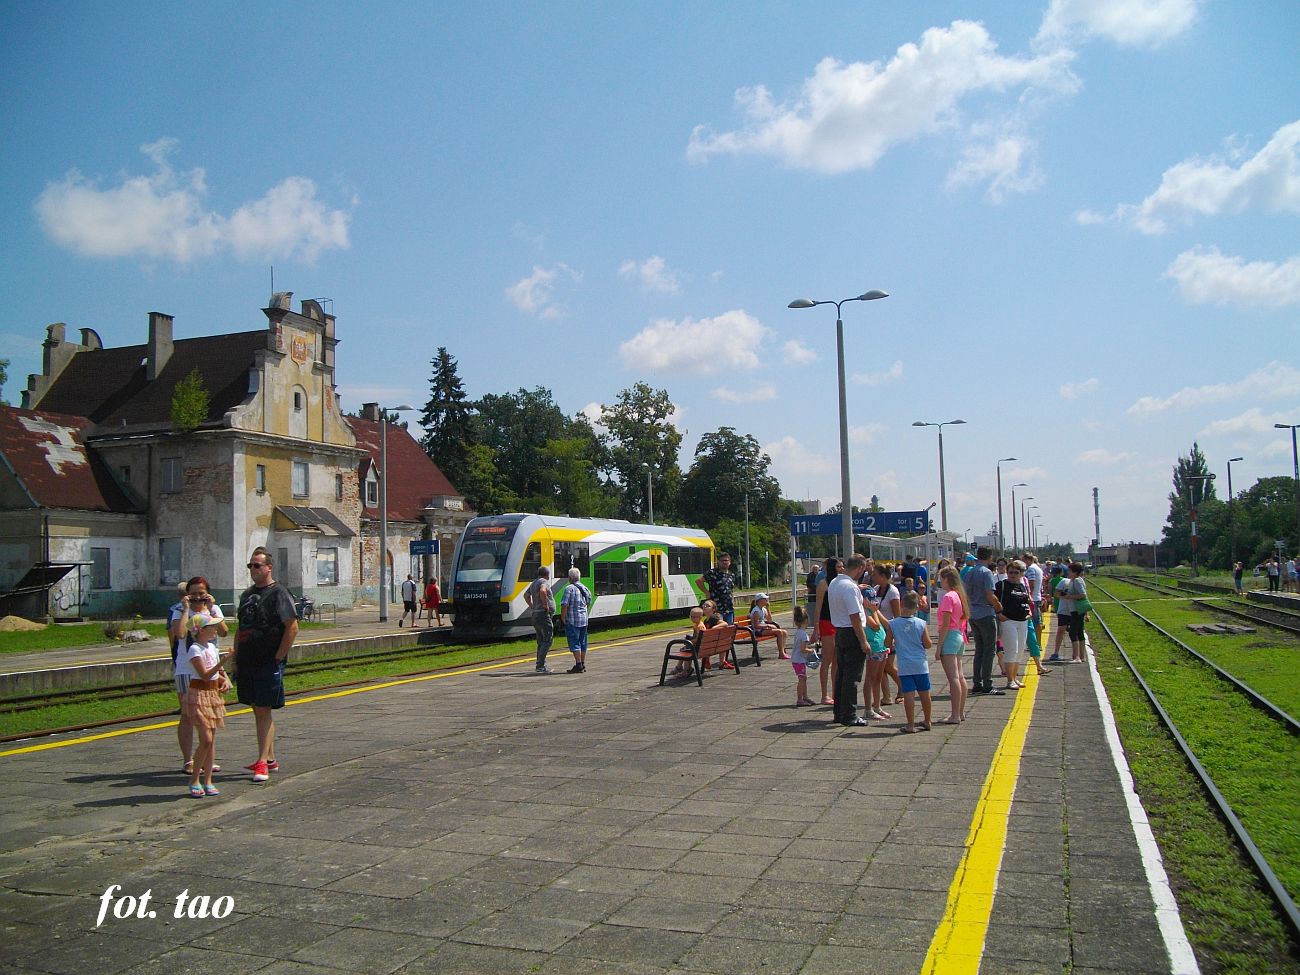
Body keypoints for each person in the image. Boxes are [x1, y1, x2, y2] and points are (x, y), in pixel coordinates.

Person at [232, 548, 298, 783]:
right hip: (247, 659)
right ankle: (269, 758)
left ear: (269, 567)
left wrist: (279, 656)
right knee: (257, 708)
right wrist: (235, 659)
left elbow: (292, 626)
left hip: (267, 660)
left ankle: (262, 763)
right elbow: (240, 628)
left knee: (263, 709)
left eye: (257, 565)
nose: (253, 570)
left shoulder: (279, 593)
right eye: (250, 566)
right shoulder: (247, 595)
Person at [169, 577, 227, 774]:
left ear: (207, 592)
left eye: (201, 592)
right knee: (188, 714)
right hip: (187, 668)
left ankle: (207, 758)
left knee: (209, 716)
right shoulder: (179, 609)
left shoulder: (214, 609)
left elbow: (224, 632)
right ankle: (188, 760)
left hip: (210, 667)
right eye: (193, 593)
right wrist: (187, 609)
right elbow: (181, 634)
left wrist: (211, 608)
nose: (197, 597)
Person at [183, 613, 231, 797]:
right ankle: (195, 779)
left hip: (212, 694)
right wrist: (224, 660)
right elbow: (203, 674)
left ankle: (208, 780)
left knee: (211, 740)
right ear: (202, 630)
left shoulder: (210, 647)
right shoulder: (195, 649)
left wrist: (222, 679)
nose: (215, 630)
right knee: (206, 739)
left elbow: (213, 674)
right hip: (199, 694)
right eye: (212, 627)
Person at [828, 554, 872, 727]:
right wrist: (863, 641)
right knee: (852, 676)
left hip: (839, 631)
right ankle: (850, 714)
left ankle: (839, 712)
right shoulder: (850, 587)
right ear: (860, 568)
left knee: (842, 674)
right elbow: (854, 615)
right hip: (852, 632)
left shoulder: (835, 582)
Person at [890, 592, 933, 733]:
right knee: (924, 693)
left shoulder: (893, 624)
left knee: (908, 694)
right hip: (920, 664)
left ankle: (910, 724)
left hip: (904, 664)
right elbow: (927, 644)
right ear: (917, 607)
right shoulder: (921, 623)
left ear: (901, 604)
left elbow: (887, 642)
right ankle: (927, 720)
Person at [966, 546, 1003, 696]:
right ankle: (987, 683)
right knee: (989, 650)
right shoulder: (987, 573)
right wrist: (998, 606)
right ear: (990, 557)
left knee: (979, 650)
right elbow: (989, 594)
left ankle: (977, 683)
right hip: (986, 612)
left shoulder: (970, 572)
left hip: (973, 613)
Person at [934, 566, 969, 724]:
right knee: (960, 676)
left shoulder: (948, 597)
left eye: (941, 578)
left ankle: (954, 715)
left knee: (953, 678)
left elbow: (946, 624)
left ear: (947, 579)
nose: (940, 581)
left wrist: (939, 646)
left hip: (950, 636)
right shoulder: (959, 595)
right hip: (960, 635)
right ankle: (959, 713)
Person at [995, 560, 1032, 690]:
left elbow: (1026, 601)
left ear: (1021, 574)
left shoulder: (1022, 586)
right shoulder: (1001, 585)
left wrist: (1029, 613)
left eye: (1016, 572)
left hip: (1023, 621)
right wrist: (999, 614)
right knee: (1012, 650)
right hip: (1008, 621)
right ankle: (1010, 680)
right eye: (1010, 572)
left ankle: (1015, 678)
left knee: (1020, 651)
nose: (1012, 575)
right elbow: (993, 600)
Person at [811, 557, 841, 705]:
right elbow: (818, 607)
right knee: (827, 659)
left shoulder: (842, 583)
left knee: (837, 660)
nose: (842, 569)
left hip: (838, 623)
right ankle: (824, 694)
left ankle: (836, 693)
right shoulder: (823, 584)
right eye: (839, 567)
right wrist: (816, 628)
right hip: (826, 622)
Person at [560, 567, 592, 673]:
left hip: (573, 620)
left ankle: (578, 664)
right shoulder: (585, 588)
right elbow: (588, 601)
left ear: (569, 578)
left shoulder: (569, 589)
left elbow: (564, 604)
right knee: (583, 641)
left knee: (574, 641)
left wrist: (563, 617)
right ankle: (582, 663)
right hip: (584, 620)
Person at [524, 566, 555, 674]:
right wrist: (546, 606)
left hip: (536, 614)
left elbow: (526, 595)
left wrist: (532, 606)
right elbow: (543, 591)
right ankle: (540, 666)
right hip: (543, 614)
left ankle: (540, 664)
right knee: (548, 639)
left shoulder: (533, 583)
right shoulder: (543, 582)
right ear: (547, 574)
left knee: (541, 641)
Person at [1058, 562, 1089, 663]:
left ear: (1075, 572)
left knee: (1073, 632)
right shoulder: (1078, 580)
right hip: (1077, 610)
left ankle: (1076, 657)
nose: (1068, 572)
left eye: (1070, 571)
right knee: (1079, 632)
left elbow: (1083, 595)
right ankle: (1081, 656)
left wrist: (1069, 596)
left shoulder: (1076, 581)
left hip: (1076, 610)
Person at [696, 553, 737, 623]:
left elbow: (731, 590)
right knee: (719, 628)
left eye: (726, 560)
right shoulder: (712, 573)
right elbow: (699, 581)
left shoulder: (731, 575)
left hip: (729, 609)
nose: (724, 562)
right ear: (718, 562)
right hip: (717, 609)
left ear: (729, 562)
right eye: (722, 560)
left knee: (730, 629)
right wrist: (706, 592)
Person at [748, 593, 788, 658]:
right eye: (765, 599)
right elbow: (756, 625)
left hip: (763, 629)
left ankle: (783, 651)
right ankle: (781, 654)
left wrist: (768, 608)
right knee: (779, 632)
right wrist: (767, 626)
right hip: (758, 631)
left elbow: (769, 620)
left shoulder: (763, 609)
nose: (767, 600)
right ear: (760, 600)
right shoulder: (756, 611)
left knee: (784, 632)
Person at [670, 607, 706, 678]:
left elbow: (699, 639)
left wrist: (690, 641)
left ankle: (686, 670)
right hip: (700, 647)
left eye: (695, 617)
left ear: (700, 617)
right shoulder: (697, 624)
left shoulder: (700, 626)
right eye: (691, 616)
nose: (692, 618)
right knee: (684, 650)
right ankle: (680, 667)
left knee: (686, 652)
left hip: (699, 648)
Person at [790, 606, 815, 706]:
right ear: (806, 620)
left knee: (803, 678)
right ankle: (800, 699)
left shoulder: (798, 632)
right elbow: (803, 649)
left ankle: (805, 697)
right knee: (801, 679)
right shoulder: (804, 634)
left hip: (797, 659)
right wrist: (811, 651)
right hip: (799, 660)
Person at [1047, 564, 1068, 661]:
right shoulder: (1064, 580)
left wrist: (1050, 599)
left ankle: (1063, 626)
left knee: (1060, 617)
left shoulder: (1052, 581)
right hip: (1065, 601)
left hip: (1057, 601)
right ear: (1061, 572)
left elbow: (1050, 591)